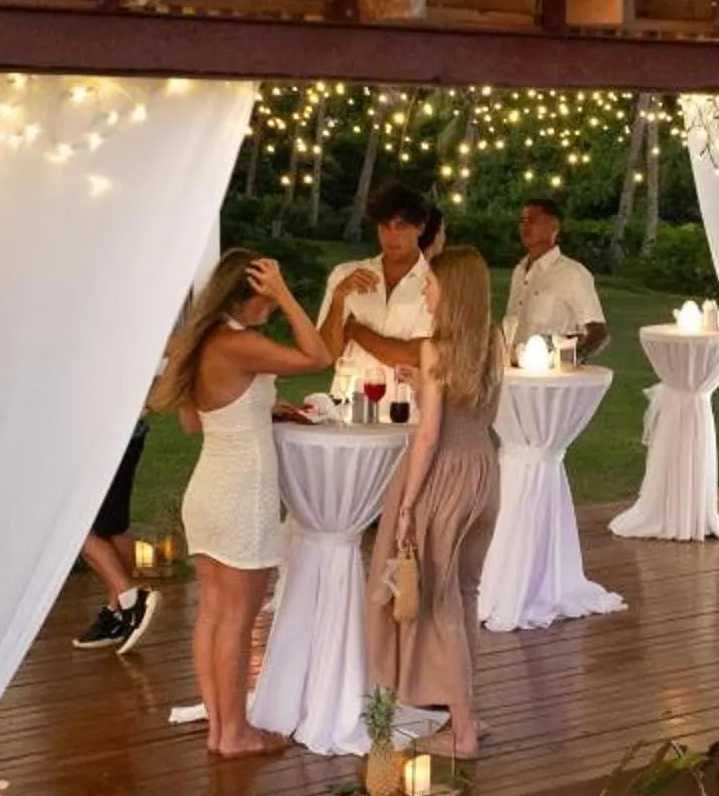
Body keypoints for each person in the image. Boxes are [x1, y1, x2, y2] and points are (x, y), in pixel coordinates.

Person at [155, 251, 333, 757]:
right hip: (243, 492)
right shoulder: (240, 344)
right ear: (246, 294)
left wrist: (259, 409)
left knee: (213, 614)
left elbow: (194, 422)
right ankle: (234, 733)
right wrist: (286, 294)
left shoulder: (199, 344)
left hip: (207, 489)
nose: (271, 309)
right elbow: (318, 356)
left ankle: (221, 728)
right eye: (267, 300)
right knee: (237, 619)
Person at [366, 245, 506, 758]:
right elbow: (477, 407)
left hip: (444, 477)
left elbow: (427, 438)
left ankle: (462, 733)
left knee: (440, 600)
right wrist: (422, 386)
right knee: (465, 593)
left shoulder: (434, 348)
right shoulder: (493, 341)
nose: (425, 291)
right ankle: (465, 713)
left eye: (430, 283)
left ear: (452, 292)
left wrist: (406, 505)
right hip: (484, 472)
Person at [321, 183, 438, 383]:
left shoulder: (435, 283)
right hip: (350, 397)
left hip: (408, 398)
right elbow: (326, 354)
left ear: (420, 228)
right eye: (384, 226)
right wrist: (338, 299)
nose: (391, 236)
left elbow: (415, 356)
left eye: (401, 226)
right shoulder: (345, 275)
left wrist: (355, 330)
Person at [72, 414, 156, 653]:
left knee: (72, 526)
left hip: (99, 430)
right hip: (120, 427)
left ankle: (131, 600)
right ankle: (119, 613)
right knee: (112, 524)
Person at [505, 195, 607, 362]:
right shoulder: (519, 272)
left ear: (554, 226)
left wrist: (570, 361)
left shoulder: (573, 274)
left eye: (532, 221)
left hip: (551, 372)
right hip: (513, 369)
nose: (525, 227)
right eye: (522, 221)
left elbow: (598, 333)